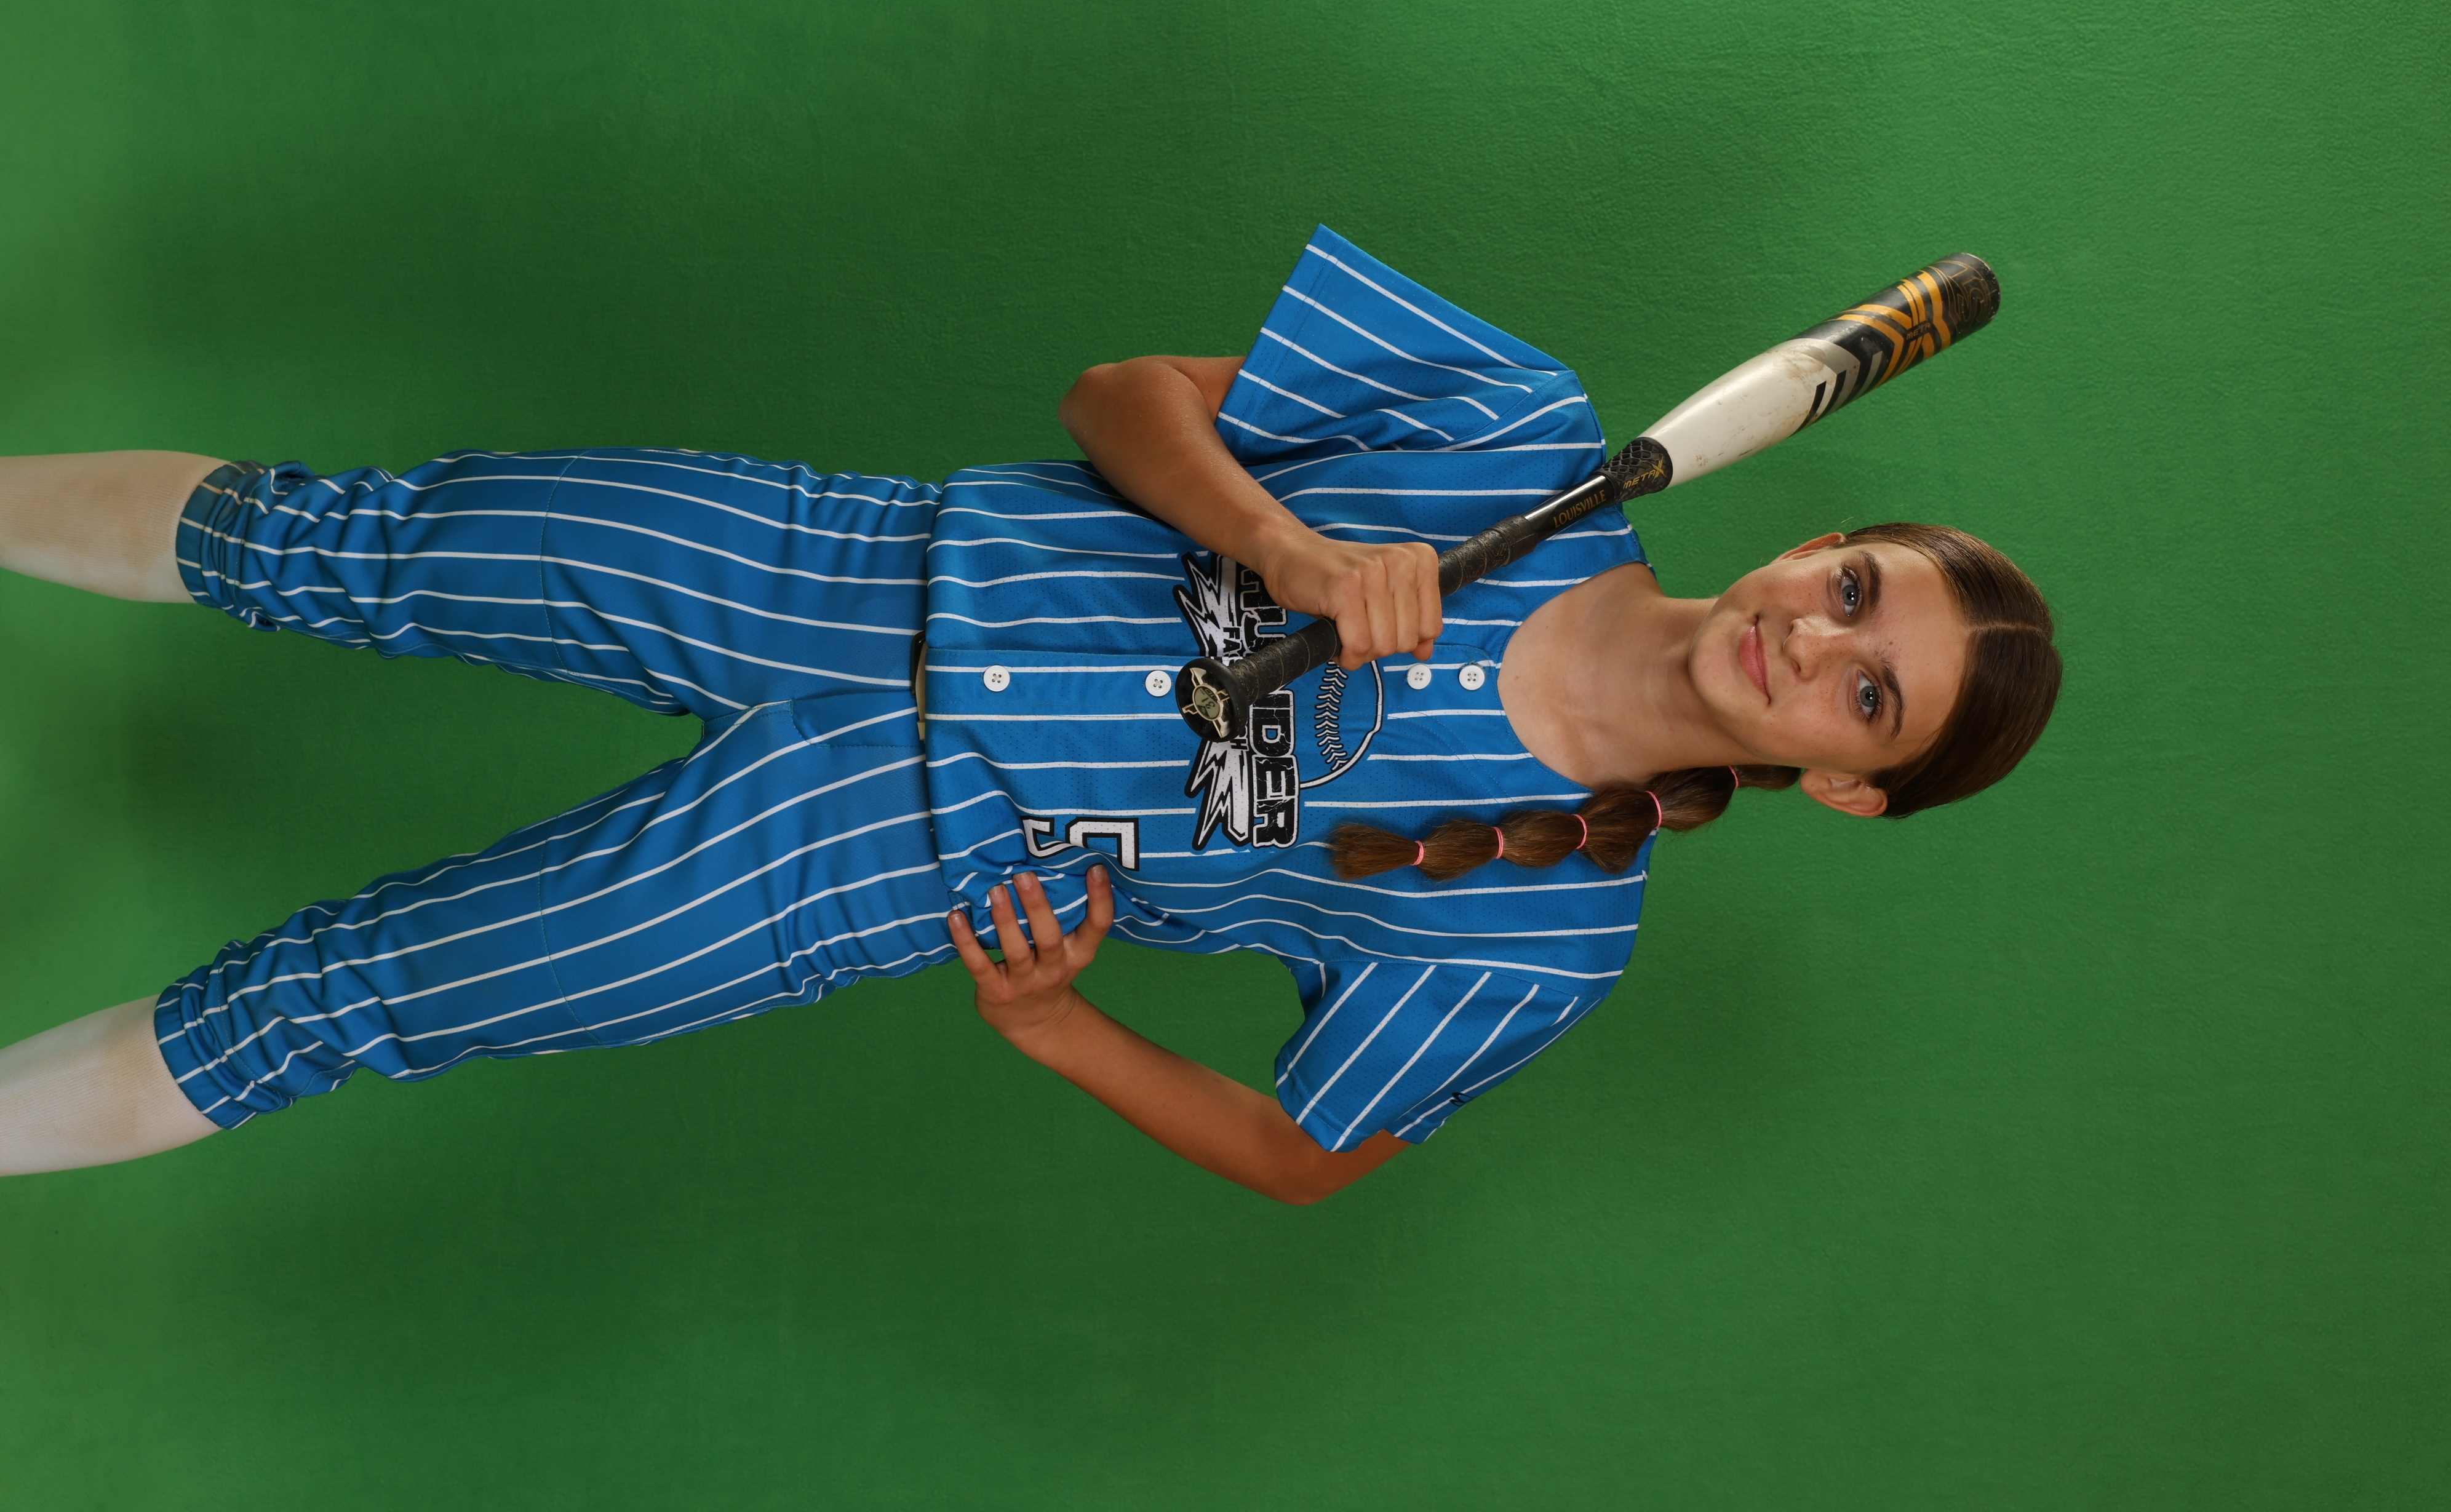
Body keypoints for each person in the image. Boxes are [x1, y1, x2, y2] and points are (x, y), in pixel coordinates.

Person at [0, 228, 2060, 1201]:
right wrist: (1280, 541)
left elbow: (1306, 1150)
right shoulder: (1513, 426)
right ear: (1818, 542)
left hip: (864, 871)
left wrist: (1060, 1027)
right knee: (330, 541)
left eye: (1871, 697)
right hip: (837, 561)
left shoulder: (1545, 937)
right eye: (1852, 591)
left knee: (332, 1004)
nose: (1817, 646)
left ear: (1850, 790)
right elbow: (1112, 398)